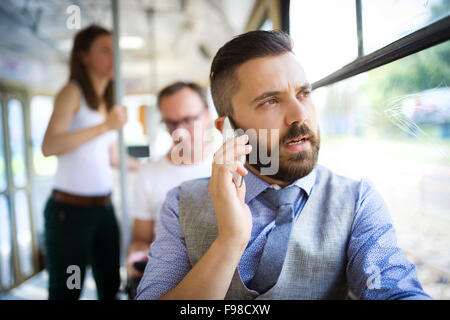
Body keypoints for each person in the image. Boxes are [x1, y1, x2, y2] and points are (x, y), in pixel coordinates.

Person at [135, 30, 432, 300]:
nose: (300, 115)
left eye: (304, 94)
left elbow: (397, 292)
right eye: (270, 101)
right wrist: (230, 241)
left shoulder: (358, 200)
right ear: (228, 129)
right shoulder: (181, 203)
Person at [42, 25, 139, 300]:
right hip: (69, 213)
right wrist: (105, 125)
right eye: (105, 50)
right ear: (84, 56)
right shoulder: (72, 92)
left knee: (111, 285)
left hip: (104, 210)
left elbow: (109, 156)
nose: (113, 57)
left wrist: (148, 167)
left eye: (115, 50)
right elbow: (50, 146)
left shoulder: (107, 102)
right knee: (68, 290)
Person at [126, 82, 217, 294]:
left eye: (188, 120)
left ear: (207, 116)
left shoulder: (229, 165)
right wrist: (137, 256)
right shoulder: (148, 174)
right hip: (167, 278)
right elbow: (141, 238)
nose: (179, 132)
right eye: (171, 122)